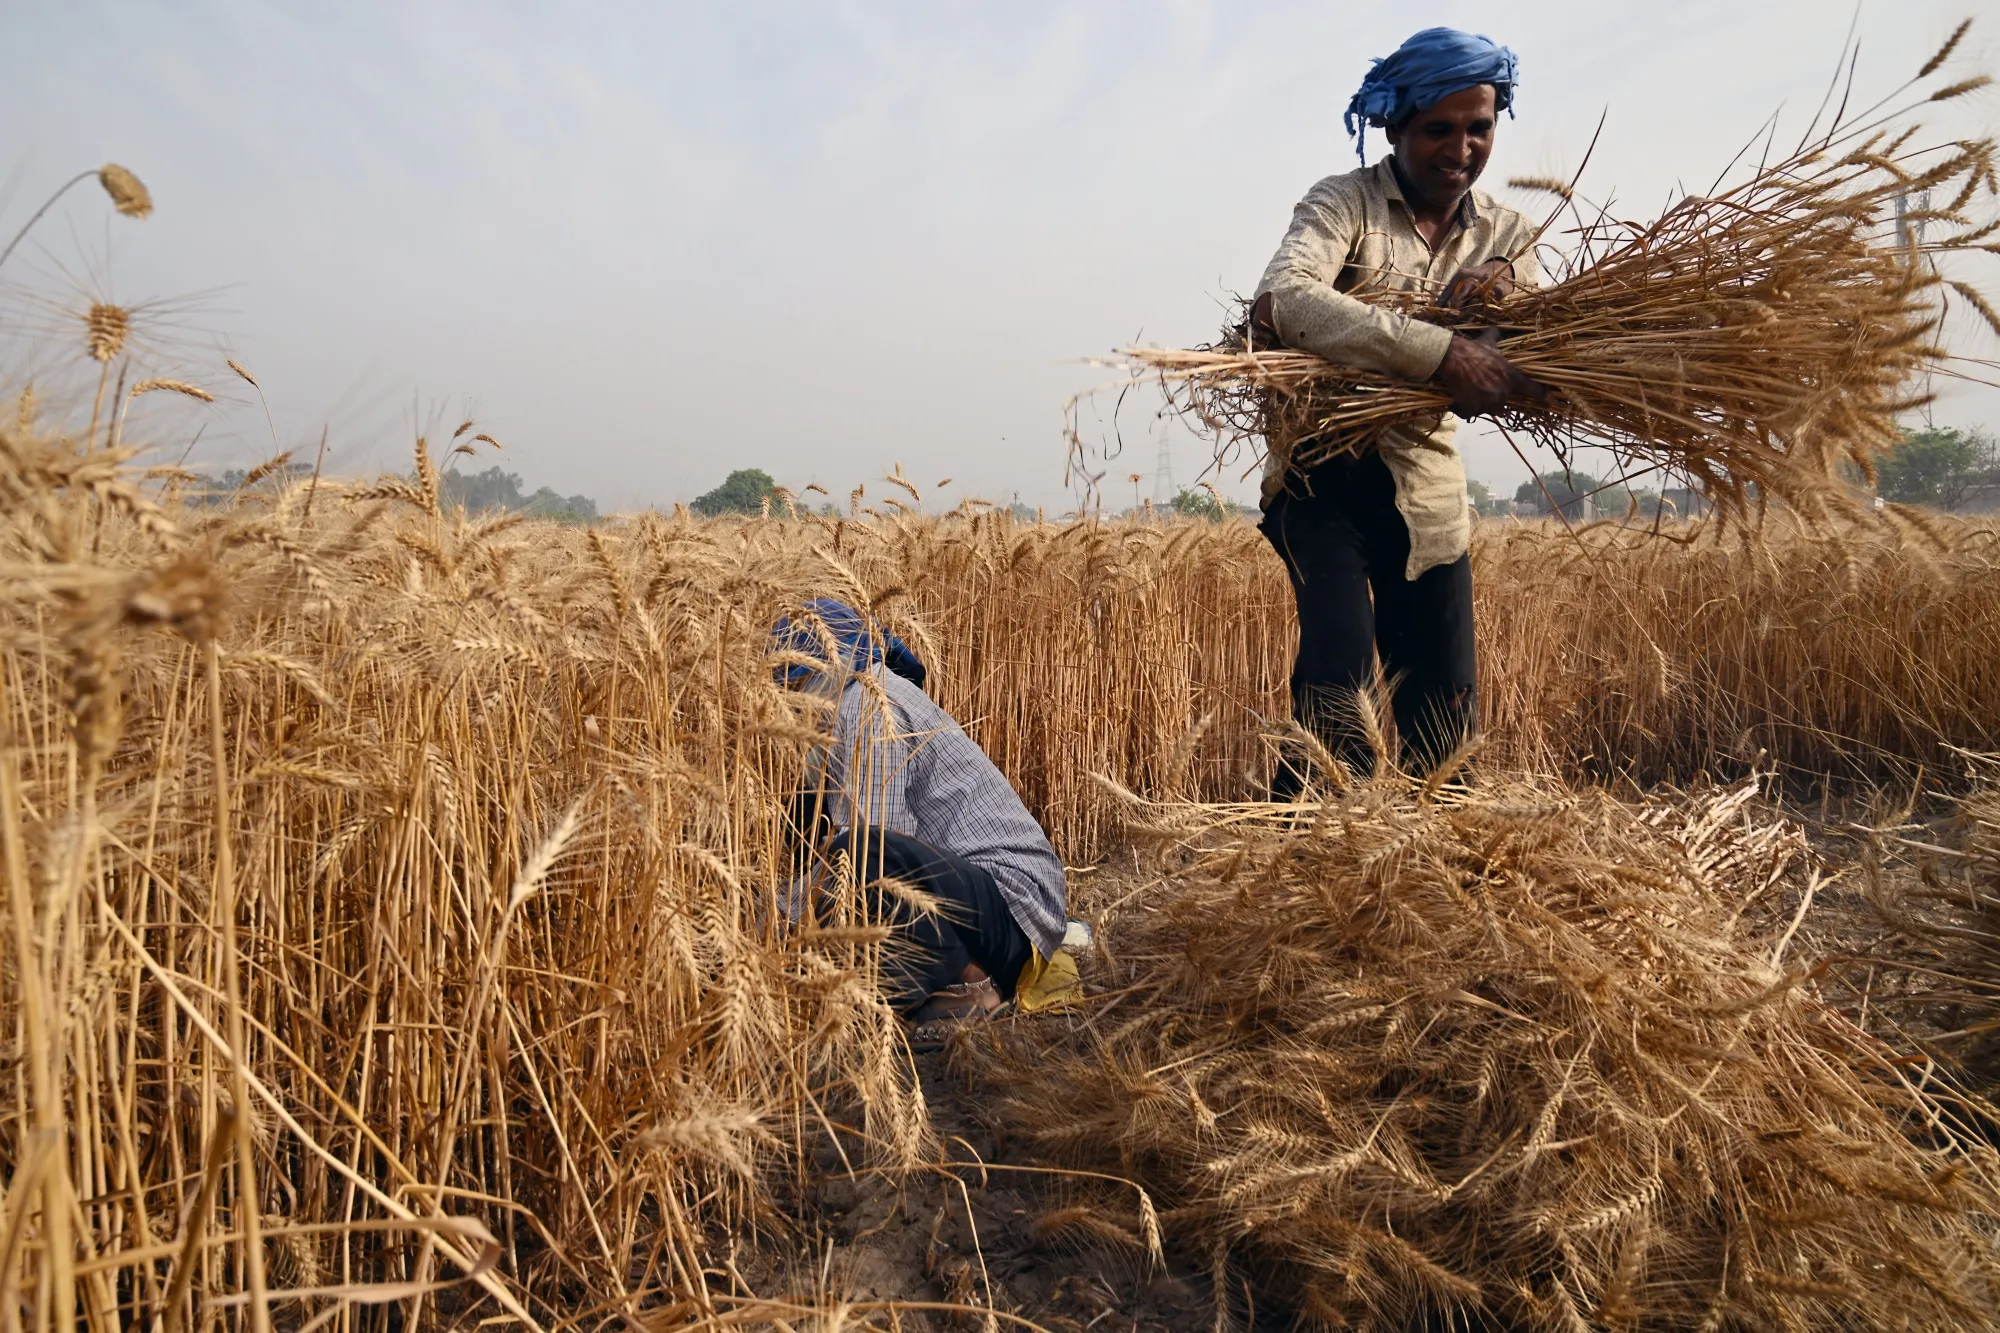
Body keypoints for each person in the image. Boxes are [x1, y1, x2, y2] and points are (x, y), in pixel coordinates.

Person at [1250, 27, 1547, 791]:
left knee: (1445, 728)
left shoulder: (1509, 235)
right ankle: (1297, 877)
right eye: (1437, 130)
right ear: (1396, 129)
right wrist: (1440, 352)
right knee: (1337, 700)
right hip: (1322, 485)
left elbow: (1530, 348)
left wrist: (1502, 312)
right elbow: (1287, 299)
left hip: (1429, 498)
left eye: (1479, 128)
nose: (1461, 148)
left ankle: (1431, 888)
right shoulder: (1343, 203)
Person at [772, 599, 1069, 1025]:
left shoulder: (867, 704)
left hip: (1013, 909)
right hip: (993, 908)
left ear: (817, 669)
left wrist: (775, 913)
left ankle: (971, 982)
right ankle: (946, 983)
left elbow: (868, 846)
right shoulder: (853, 705)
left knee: (857, 850)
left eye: (793, 685)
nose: (790, 702)